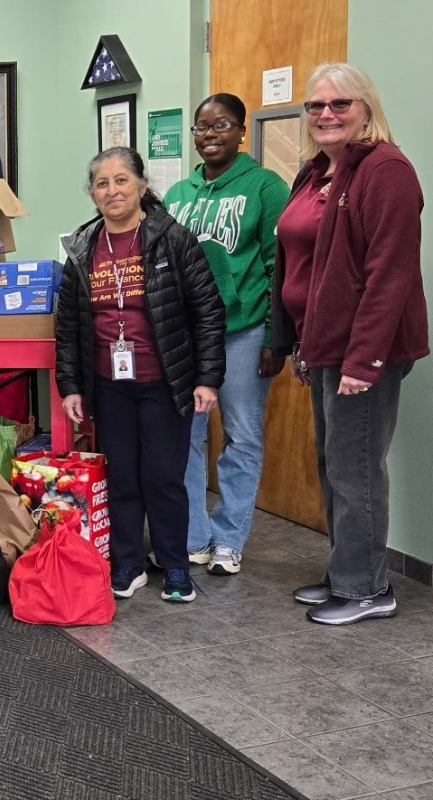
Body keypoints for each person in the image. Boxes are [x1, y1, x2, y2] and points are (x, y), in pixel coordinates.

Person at [272, 63, 428, 625]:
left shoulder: (386, 170)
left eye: (340, 104)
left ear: (367, 108)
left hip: (362, 352)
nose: (326, 114)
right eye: (316, 105)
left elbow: (390, 274)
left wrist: (364, 360)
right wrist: (299, 342)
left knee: (356, 467)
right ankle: (347, 572)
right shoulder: (316, 171)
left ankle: (367, 589)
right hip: (325, 345)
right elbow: (299, 264)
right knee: (333, 464)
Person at [56, 146, 225, 603]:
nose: (112, 191)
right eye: (102, 183)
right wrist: (70, 386)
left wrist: (207, 378)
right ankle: (127, 563)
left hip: (164, 381)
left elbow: (207, 311)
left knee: (163, 477)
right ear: (92, 193)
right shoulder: (82, 247)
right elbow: (68, 325)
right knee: (123, 478)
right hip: (107, 385)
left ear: (142, 186)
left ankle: (175, 566)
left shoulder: (172, 238)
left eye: (121, 180)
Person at [163, 93, 289, 576]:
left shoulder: (266, 187)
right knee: (185, 438)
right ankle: (194, 537)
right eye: (202, 126)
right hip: (188, 338)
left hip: (243, 330)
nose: (209, 134)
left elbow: (280, 268)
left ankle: (229, 540)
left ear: (241, 132)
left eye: (221, 125)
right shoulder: (179, 194)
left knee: (242, 435)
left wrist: (274, 338)